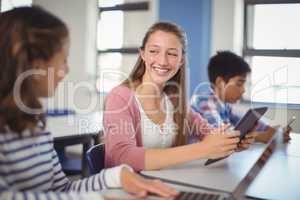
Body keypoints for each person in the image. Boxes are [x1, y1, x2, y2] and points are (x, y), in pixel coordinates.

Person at [0, 6, 178, 200]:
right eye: (63, 60)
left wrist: (117, 177)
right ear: (34, 64)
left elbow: (62, 190)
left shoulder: (35, 125)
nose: (67, 69)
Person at [103, 22, 253, 172]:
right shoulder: (120, 97)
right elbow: (122, 157)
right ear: (143, 54)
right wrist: (201, 149)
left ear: (181, 60)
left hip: (165, 185)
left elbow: (208, 134)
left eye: (172, 54)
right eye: (154, 51)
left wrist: (230, 141)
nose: (162, 61)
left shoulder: (174, 100)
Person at [190, 51, 291, 144]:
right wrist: (262, 136)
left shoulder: (224, 105)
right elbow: (221, 136)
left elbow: (242, 124)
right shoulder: (205, 102)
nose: (243, 90)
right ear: (220, 83)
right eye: (239, 83)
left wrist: (271, 130)